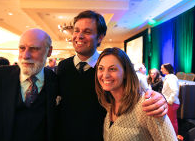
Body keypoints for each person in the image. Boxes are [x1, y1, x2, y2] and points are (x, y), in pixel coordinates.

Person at [57, 10, 168, 141]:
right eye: (76, 30)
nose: (79, 36)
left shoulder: (109, 71)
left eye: (87, 32)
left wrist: (159, 99)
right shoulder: (63, 67)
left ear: (100, 37)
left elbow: (138, 91)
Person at [0, 28, 58, 141]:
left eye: (34, 49)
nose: (25, 55)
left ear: (49, 51)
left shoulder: (56, 81)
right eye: (22, 48)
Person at [95, 47, 177, 141]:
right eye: (101, 68)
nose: (105, 75)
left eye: (112, 69)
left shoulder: (148, 105)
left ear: (126, 72)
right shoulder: (108, 104)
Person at [161, 63, 180, 135]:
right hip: (169, 102)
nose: (161, 70)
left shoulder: (171, 78)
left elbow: (175, 91)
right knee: (170, 121)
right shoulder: (168, 77)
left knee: (172, 121)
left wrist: (170, 101)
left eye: (162, 68)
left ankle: (174, 136)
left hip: (172, 103)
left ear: (167, 69)